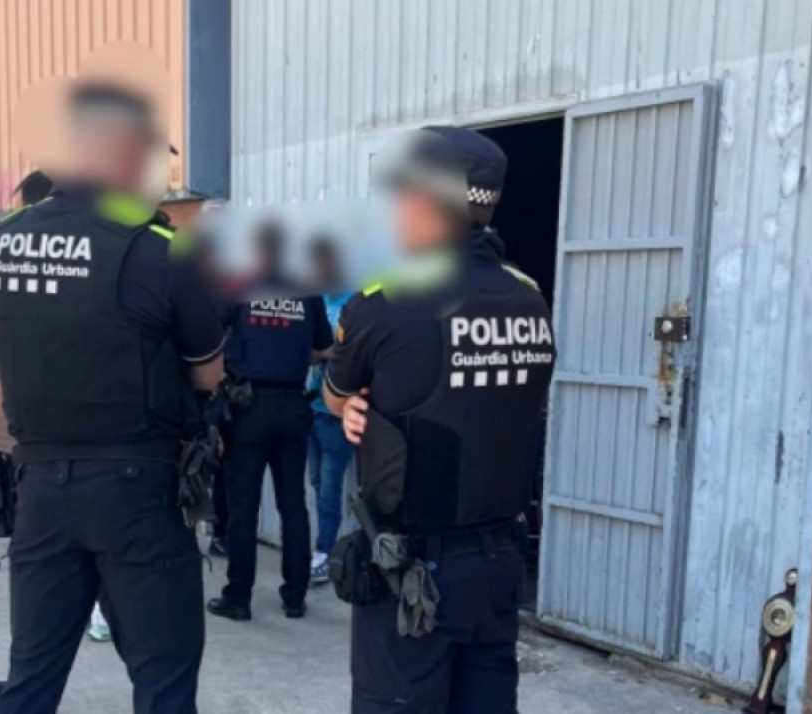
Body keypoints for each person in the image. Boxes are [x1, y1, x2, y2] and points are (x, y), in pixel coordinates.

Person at [0, 43, 224, 714]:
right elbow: (209, 374)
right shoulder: (160, 249)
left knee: (31, 677)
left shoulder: (2, 241)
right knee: (164, 675)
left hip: (37, 487)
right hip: (136, 489)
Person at [323, 126, 556, 714]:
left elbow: (336, 393)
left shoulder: (385, 301)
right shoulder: (529, 298)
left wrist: (351, 407)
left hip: (413, 573)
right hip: (500, 565)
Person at [205, 222, 334, 622]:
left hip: (248, 407)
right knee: (293, 503)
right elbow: (325, 348)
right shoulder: (307, 290)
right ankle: (295, 596)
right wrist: (292, 356)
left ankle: (238, 597)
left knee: (243, 507)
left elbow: (210, 335)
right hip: (292, 405)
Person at [304, 240, 355, 584]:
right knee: (316, 481)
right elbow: (310, 350)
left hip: (336, 411)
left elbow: (348, 354)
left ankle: (324, 552)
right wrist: (325, 351)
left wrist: (324, 351)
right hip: (310, 404)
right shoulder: (317, 299)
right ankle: (323, 549)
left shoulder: (354, 303)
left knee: (329, 489)